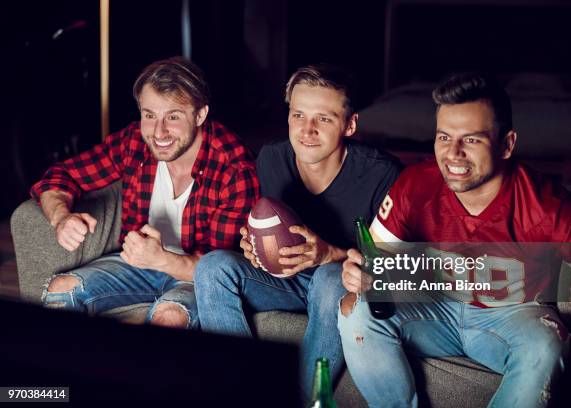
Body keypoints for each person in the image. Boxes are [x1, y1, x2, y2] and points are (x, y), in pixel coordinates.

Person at [339, 72, 571, 407]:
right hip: (434, 307)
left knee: (546, 344)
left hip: (512, 316)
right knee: (354, 308)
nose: (453, 154)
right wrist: (360, 273)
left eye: (471, 140)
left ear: (507, 144)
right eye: (443, 137)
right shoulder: (414, 184)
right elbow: (376, 259)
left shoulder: (548, 204)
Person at [194, 64, 402, 396]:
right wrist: (252, 245)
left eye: (324, 118)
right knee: (212, 267)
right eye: (298, 115)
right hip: (284, 281)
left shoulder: (383, 174)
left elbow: (390, 268)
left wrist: (328, 254)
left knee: (329, 276)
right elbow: (267, 225)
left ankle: (300, 399)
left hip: (337, 286)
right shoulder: (271, 158)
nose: (307, 130)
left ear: (349, 125)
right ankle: (241, 396)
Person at [33, 57, 259, 329]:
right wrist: (61, 217)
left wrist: (161, 259)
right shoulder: (134, 142)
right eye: (149, 115)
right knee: (61, 288)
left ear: (200, 115)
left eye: (173, 116)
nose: (158, 131)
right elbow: (61, 175)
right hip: (138, 263)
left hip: (197, 276)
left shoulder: (234, 168)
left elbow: (222, 269)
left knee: (169, 317)